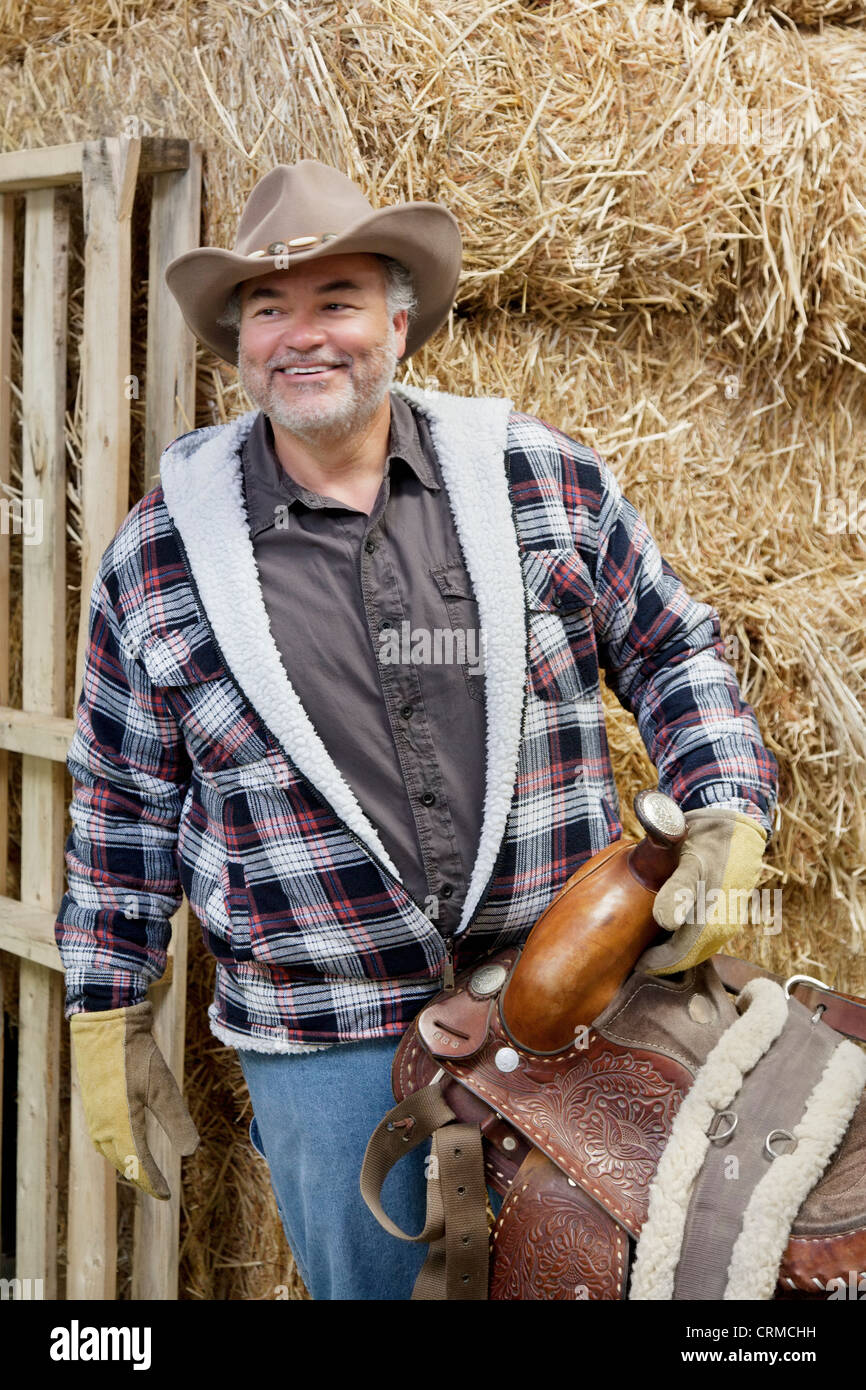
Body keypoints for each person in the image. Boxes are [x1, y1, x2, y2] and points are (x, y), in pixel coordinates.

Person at [55, 159, 779, 1301]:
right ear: (238, 341)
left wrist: (726, 802)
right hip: (328, 1040)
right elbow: (120, 803)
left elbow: (670, 646)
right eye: (268, 308)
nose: (302, 335)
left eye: (336, 300)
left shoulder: (535, 480)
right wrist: (107, 1004)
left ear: (397, 322)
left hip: (570, 993)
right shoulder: (159, 556)